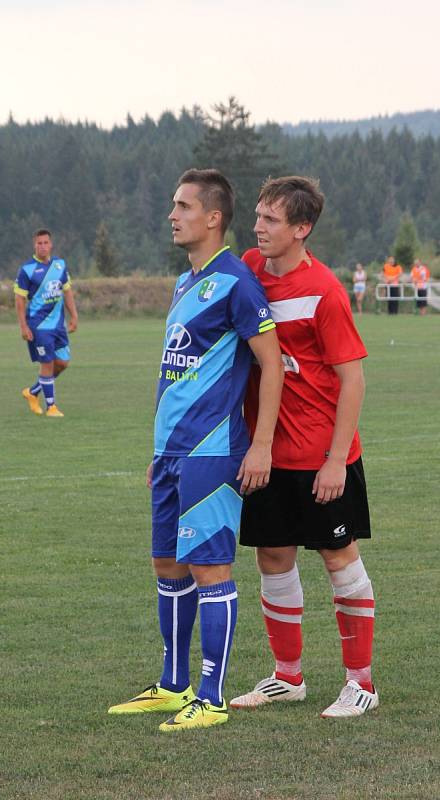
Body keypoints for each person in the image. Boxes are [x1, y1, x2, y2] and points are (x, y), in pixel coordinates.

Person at [108, 169, 283, 732]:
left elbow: (272, 364)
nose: (172, 215)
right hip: (172, 453)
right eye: (172, 204)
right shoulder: (186, 282)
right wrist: (159, 448)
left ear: (213, 217)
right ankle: (173, 684)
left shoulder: (236, 283)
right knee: (167, 563)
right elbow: (176, 374)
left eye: (182, 206)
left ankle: (212, 695)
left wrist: (259, 447)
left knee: (210, 568)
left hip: (213, 450)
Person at [229, 176, 378, 719]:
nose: (258, 228)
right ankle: (287, 676)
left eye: (270, 219)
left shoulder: (327, 292)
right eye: (258, 215)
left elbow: (353, 380)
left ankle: (361, 684)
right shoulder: (249, 269)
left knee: (339, 559)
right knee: (273, 557)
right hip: (266, 454)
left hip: (322, 459)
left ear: (301, 228)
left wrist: (337, 460)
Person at [14, 229, 78, 417]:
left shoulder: (60, 265)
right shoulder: (27, 270)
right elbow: (19, 300)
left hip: (58, 325)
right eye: (39, 243)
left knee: (63, 363)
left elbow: (67, 292)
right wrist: (23, 326)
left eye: (45, 243)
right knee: (47, 364)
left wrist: (73, 315)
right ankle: (51, 407)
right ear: (34, 245)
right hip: (39, 326)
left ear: (51, 244)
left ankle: (32, 392)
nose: (42, 246)